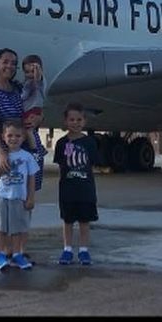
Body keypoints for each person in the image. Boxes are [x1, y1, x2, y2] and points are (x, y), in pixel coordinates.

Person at [54, 102, 102, 266]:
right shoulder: (61, 143)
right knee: (67, 221)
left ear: (84, 121)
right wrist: (63, 185)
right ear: (66, 121)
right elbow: (61, 166)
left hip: (85, 189)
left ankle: (83, 250)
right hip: (67, 190)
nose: (75, 123)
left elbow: (92, 164)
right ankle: (67, 249)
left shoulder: (89, 142)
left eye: (79, 119)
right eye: (72, 119)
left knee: (84, 220)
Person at [0, 118, 40, 271]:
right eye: (10, 135)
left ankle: (17, 254)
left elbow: (31, 178)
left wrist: (31, 197)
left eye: (17, 136)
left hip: (19, 198)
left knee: (18, 228)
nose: (13, 139)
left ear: (23, 137)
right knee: (1, 228)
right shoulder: (2, 156)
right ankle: (0, 254)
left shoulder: (27, 157)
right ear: (4, 137)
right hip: (3, 197)